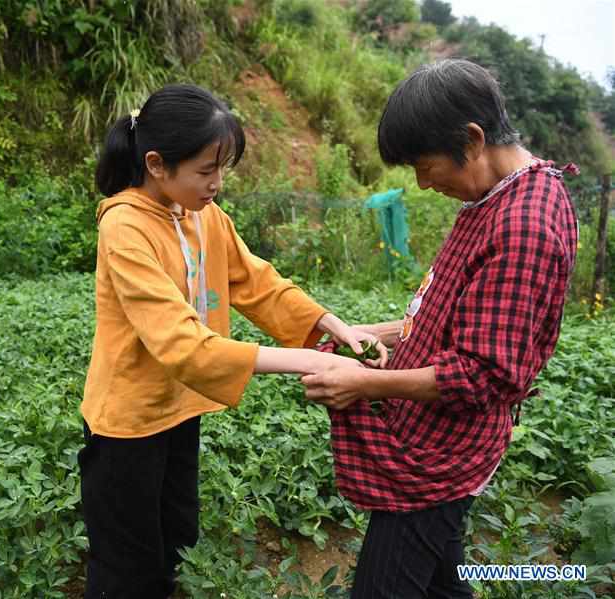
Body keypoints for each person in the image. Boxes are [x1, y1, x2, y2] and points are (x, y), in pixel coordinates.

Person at [79, 83, 387, 599]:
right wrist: (308, 360)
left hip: (179, 410)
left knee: (178, 540)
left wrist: (332, 325)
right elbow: (181, 343)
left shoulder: (204, 216)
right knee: (126, 566)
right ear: (157, 164)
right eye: (206, 170)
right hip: (127, 423)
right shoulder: (125, 227)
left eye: (223, 169)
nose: (217, 183)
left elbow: (256, 283)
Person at [301, 59, 579, 598]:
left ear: (472, 140)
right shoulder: (494, 196)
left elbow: (482, 375)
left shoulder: (525, 228)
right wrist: (373, 334)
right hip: (436, 440)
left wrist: (364, 383)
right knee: (442, 584)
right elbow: (440, 315)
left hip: (441, 458)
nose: (423, 184)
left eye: (425, 166)